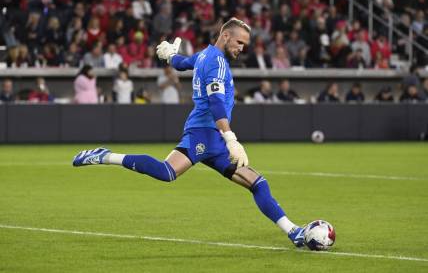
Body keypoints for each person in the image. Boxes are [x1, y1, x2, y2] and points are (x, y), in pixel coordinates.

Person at [72, 18, 307, 248]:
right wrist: (231, 138)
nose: (241, 48)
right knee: (167, 172)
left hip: (214, 137)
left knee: (258, 183)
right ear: (225, 36)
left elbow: (183, 63)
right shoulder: (216, 62)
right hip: (204, 133)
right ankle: (105, 156)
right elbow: (216, 103)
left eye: (244, 44)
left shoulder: (204, 55)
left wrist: (169, 56)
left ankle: (293, 231)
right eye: (239, 42)